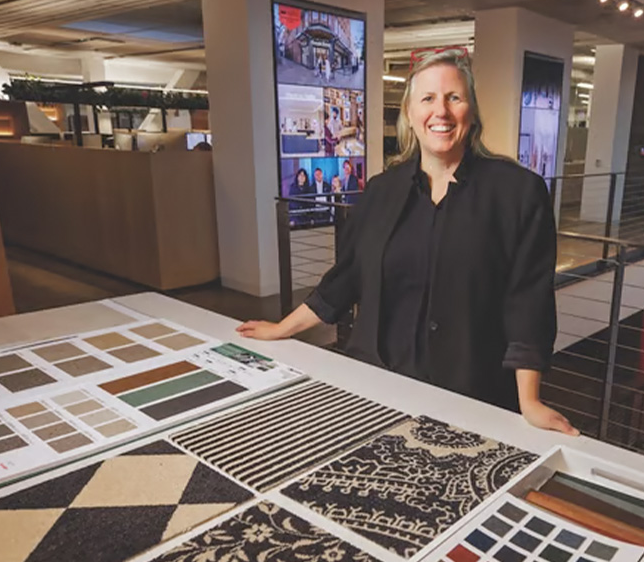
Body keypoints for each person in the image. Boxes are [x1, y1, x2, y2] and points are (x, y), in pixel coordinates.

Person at [237, 48, 576, 436]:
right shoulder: (381, 191)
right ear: (410, 115)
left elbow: (528, 303)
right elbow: (344, 279)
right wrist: (283, 328)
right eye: (428, 99)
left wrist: (529, 401)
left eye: (454, 98)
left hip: (469, 394)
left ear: (472, 110)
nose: (441, 112)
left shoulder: (518, 192)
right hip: (377, 385)